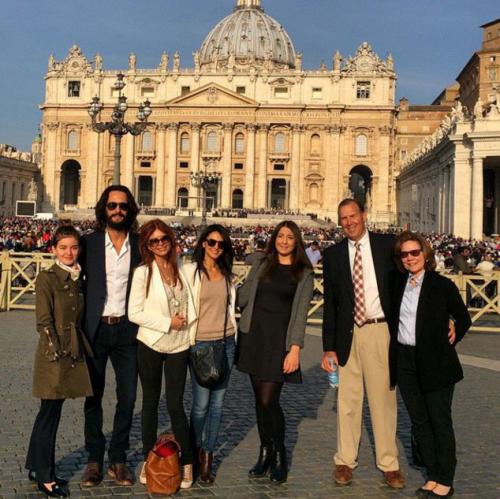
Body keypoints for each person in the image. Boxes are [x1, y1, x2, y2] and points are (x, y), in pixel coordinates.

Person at [321, 198, 405, 488]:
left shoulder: (387, 245)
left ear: (364, 215)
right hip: (348, 333)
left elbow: (409, 281)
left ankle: (389, 463)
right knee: (347, 400)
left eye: (353, 216)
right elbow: (330, 303)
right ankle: (344, 461)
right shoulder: (332, 255)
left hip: (379, 330)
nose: (349, 222)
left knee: (383, 400)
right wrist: (327, 347)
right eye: (343, 218)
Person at [393, 232, 471, 498]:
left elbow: (463, 318)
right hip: (405, 361)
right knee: (419, 420)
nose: (410, 258)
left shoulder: (442, 285)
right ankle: (432, 473)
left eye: (415, 253)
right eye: (405, 254)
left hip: (436, 360)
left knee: (439, 419)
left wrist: (454, 333)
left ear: (425, 255)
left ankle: (445, 478)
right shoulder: (398, 285)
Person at [237, 221, 314, 483]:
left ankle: (279, 452)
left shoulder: (304, 272)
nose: (283, 241)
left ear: (296, 241)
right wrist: (252, 271)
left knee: (270, 400)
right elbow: (242, 299)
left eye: (289, 237)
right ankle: (265, 451)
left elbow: (301, 314)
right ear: (274, 238)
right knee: (259, 400)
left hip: (279, 343)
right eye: (280, 236)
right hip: (254, 337)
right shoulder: (263, 264)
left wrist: (295, 350)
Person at [79, 186, 142, 487]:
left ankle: (118, 457)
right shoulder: (88, 244)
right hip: (97, 329)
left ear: (131, 210)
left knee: (128, 397)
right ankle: (94, 458)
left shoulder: (141, 246)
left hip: (128, 330)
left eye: (123, 206)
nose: (118, 210)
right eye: (113, 205)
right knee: (93, 396)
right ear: (104, 208)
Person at [26, 225, 93, 498]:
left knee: (49, 413)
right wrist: (57, 352)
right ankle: (45, 477)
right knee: (49, 415)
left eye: (74, 247)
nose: (69, 252)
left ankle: (35, 466)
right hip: (55, 355)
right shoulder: (47, 278)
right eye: (63, 247)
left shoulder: (79, 277)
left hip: (72, 351)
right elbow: (43, 321)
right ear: (53, 249)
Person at [128, 220, 195, 489]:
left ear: (170, 239)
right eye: (153, 241)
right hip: (152, 342)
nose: (160, 244)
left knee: (177, 405)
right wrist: (168, 322)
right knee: (151, 403)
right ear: (147, 245)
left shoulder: (184, 268)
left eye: (163, 238)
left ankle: (187, 461)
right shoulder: (143, 273)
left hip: (180, 344)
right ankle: (149, 458)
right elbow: (135, 313)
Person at [183, 224, 237, 483]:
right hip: (200, 345)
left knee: (217, 406)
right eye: (212, 242)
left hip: (226, 342)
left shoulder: (227, 274)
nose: (216, 247)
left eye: (221, 244)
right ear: (203, 243)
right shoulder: (189, 271)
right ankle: (191, 455)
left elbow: (232, 306)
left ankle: (208, 456)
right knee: (201, 405)